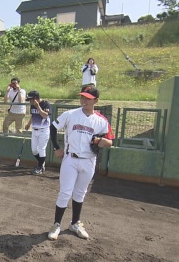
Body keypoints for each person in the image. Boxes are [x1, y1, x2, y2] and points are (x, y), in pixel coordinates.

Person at [48, 85, 114, 241]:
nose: (84, 100)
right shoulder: (70, 114)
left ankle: (75, 223)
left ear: (95, 100)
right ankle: (56, 224)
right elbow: (53, 127)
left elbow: (110, 142)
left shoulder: (101, 121)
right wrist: (57, 147)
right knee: (65, 192)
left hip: (89, 161)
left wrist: (102, 141)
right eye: (82, 97)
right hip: (70, 159)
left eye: (88, 98)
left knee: (80, 193)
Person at [24, 91, 50, 175]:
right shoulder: (32, 105)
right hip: (34, 130)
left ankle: (39, 167)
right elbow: (33, 116)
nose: (30, 101)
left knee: (42, 149)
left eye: (31, 99)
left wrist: (38, 106)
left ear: (35, 98)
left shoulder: (45, 104)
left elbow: (45, 115)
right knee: (34, 150)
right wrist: (28, 124)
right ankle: (42, 163)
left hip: (43, 130)